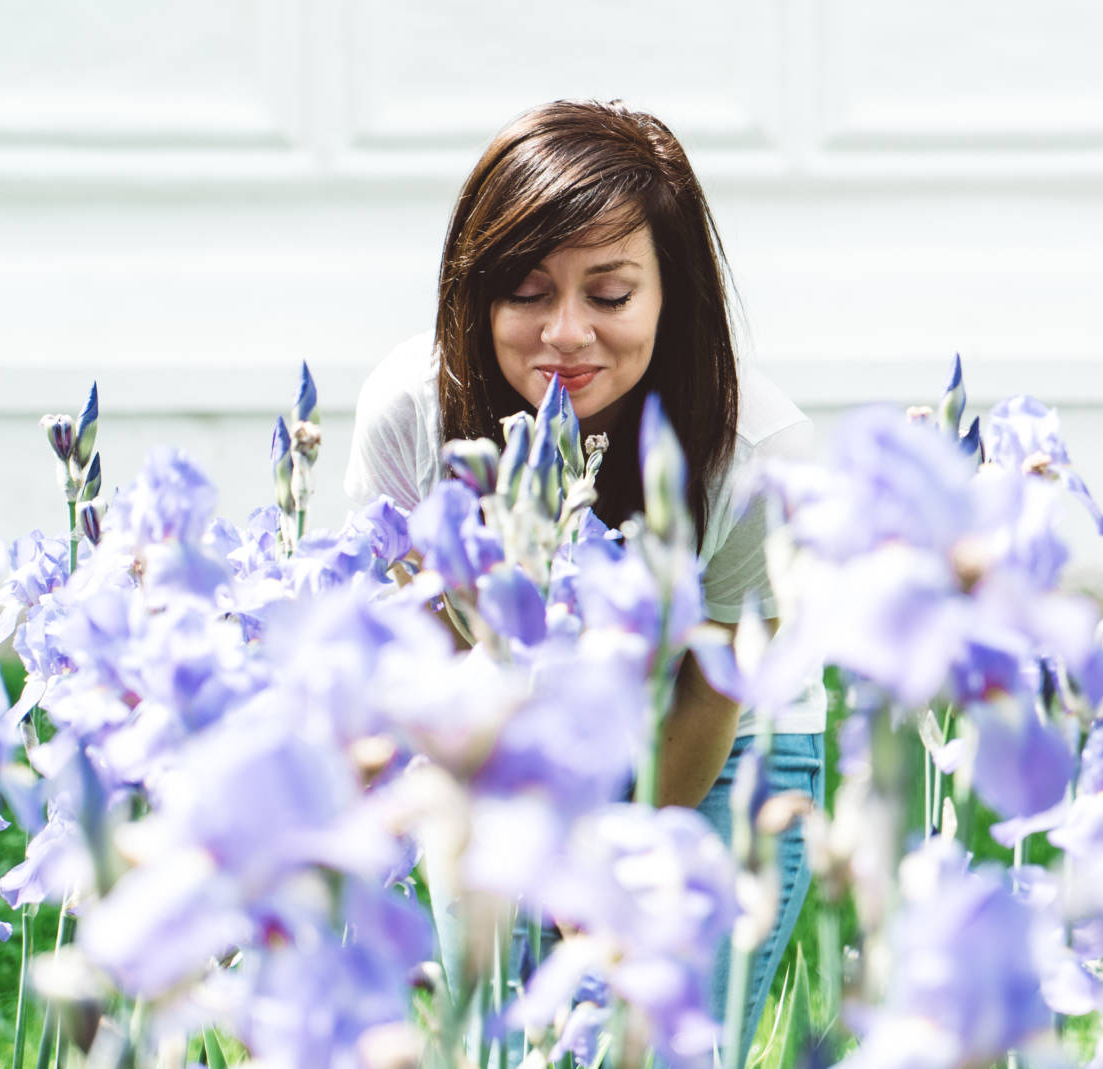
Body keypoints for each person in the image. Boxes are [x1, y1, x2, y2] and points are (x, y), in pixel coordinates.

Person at [344, 99, 825, 1061]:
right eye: (527, 291)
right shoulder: (412, 411)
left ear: (670, 296)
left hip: (712, 759)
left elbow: (709, 697)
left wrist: (596, 873)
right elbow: (415, 647)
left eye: (610, 296)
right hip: (487, 750)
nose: (566, 333)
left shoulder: (755, 450)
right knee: (484, 1039)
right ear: (475, 293)